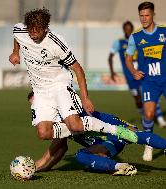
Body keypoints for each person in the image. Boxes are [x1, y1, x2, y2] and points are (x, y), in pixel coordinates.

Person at [9, 8, 137, 143]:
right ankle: (90, 128)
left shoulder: (56, 43)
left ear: (45, 28)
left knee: (75, 125)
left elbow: (78, 69)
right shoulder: (20, 30)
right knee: (43, 133)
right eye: (30, 30)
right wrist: (15, 53)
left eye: (37, 30)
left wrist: (85, 98)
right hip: (40, 91)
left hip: (59, 86)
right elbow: (17, 38)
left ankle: (116, 130)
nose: (32, 34)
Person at [27, 92, 166, 176]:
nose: (36, 109)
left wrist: (43, 162)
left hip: (112, 127)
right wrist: (45, 166)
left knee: (135, 135)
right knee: (81, 155)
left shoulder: (66, 111)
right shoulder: (55, 121)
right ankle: (120, 167)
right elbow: (61, 146)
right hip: (104, 144)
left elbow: (59, 143)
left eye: (36, 104)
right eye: (32, 106)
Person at [125, 2, 166, 161]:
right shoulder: (135, 37)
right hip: (149, 82)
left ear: (153, 15)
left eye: (147, 15)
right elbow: (128, 59)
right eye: (141, 15)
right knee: (148, 114)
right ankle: (148, 145)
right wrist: (134, 72)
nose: (144, 18)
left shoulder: (163, 32)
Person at [108, 21, 166, 128]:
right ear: (123, 29)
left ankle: (160, 119)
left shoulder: (138, 38)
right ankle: (145, 115)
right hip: (130, 76)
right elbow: (110, 56)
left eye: (130, 28)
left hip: (142, 73)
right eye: (126, 28)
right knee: (138, 99)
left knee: (151, 96)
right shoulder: (119, 42)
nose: (128, 30)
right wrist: (112, 72)